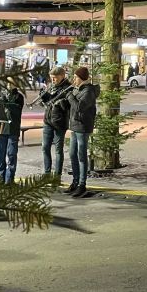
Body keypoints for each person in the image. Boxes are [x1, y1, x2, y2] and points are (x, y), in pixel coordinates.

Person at [65, 66, 100, 197]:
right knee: (72, 154)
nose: (74, 79)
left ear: (81, 78)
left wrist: (69, 96)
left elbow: (80, 107)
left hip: (83, 126)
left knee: (81, 155)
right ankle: (75, 181)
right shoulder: (78, 89)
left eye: (76, 77)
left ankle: (82, 184)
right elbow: (72, 106)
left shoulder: (88, 91)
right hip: (75, 125)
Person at [40, 66, 71, 181]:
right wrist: (44, 98)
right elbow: (48, 103)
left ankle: (57, 175)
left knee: (58, 150)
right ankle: (47, 173)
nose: (53, 80)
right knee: (45, 147)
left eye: (55, 78)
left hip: (60, 123)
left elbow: (68, 106)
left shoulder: (68, 88)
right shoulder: (51, 86)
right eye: (51, 78)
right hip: (48, 121)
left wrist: (60, 102)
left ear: (62, 76)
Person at [0, 79, 25, 184]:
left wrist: (6, 103)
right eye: (7, 82)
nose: (8, 85)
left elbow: (16, 109)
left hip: (13, 128)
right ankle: (0, 177)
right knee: (0, 155)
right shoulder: (1, 94)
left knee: (11, 154)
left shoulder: (18, 96)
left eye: (11, 83)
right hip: (1, 128)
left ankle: (9, 179)